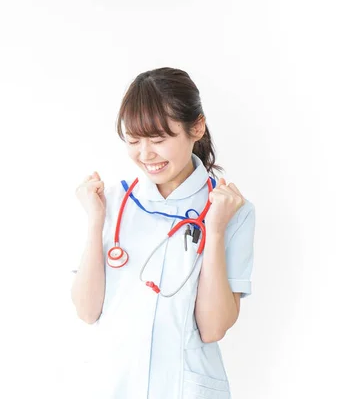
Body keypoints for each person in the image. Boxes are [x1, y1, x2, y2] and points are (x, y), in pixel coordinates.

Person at [70, 67, 255, 399]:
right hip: (114, 385)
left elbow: (213, 328)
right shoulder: (108, 203)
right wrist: (96, 221)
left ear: (196, 127)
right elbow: (86, 310)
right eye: (134, 140)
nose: (145, 154)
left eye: (158, 140)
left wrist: (214, 231)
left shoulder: (233, 211)